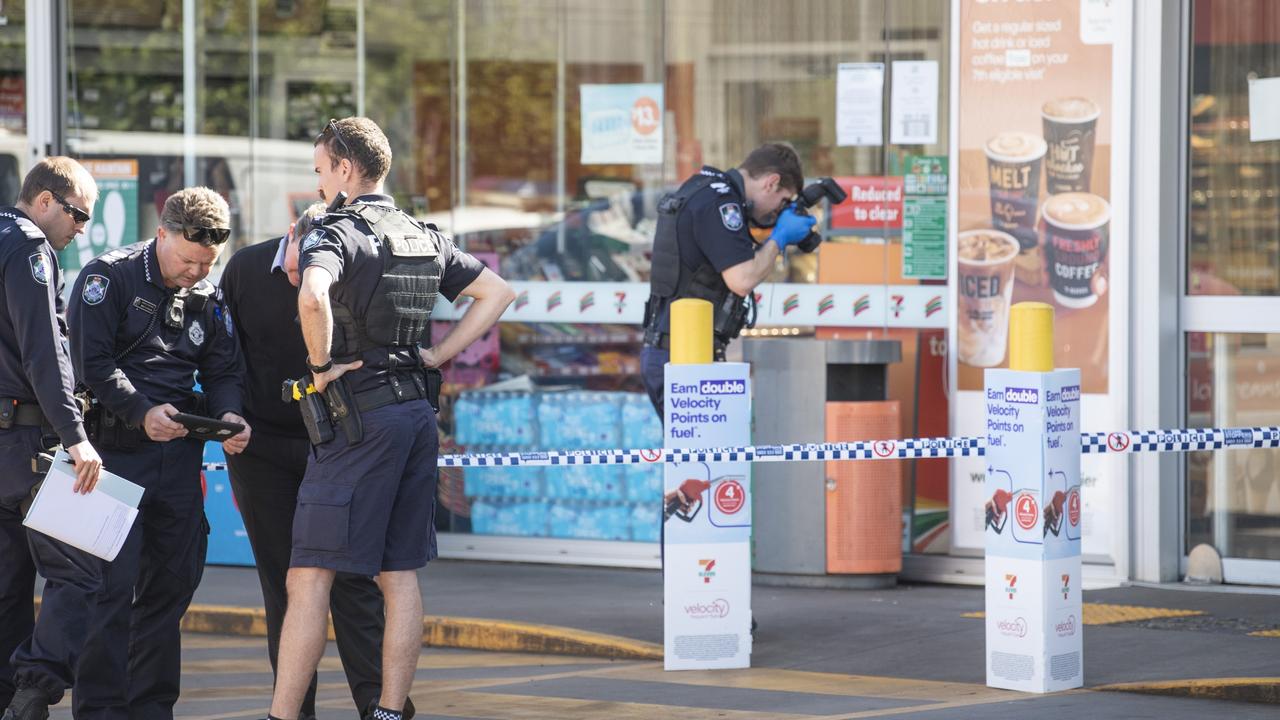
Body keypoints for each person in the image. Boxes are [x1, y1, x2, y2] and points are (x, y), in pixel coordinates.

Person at [266, 117, 513, 720]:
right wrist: (437, 355)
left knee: (309, 579)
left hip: (358, 419)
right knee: (397, 574)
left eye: (322, 170)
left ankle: (280, 717)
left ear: (346, 169)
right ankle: (388, 711)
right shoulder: (421, 233)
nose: (321, 184)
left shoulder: (338, 231)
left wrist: (321, 366)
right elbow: (498, 294)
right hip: (414, 413)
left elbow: (311, 294)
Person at [51, 186, 249, 719]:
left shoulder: (208, 294)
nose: (196, 272)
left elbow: (224, 368)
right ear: (161, 234)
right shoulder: (108, 276)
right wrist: (142, 411)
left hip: (177, 458)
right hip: (111, 456)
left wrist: (229, 415)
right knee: (108, 593)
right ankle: (101, 711)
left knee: (171, 589)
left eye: (207, 263)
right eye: (187, 260)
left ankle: (151, 708)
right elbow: (90, 363)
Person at [221, 202, 414, 720]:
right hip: (261, 445)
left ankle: (377, 703)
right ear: (291, 237)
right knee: (285, 581)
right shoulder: (243, 269)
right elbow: (224, 354)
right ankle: (293, 710)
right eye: (297, 266)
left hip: (336, 440)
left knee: (353, 578)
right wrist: (229, 415)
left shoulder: (347, 271)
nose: (302, 280)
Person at [0, 158, 104, 719]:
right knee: (79, 568)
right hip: (30, 442)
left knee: (7, 582)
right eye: (78, 214)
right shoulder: (28, 246)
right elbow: (44, 349)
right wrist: (75, 435)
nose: (81, 229)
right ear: (44, 200)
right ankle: (33, 691)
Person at [640, 143, 816, 417]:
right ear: (772, 182)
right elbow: (742, 279)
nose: (777, 213)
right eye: (783, 202)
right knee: (703, 456)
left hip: (677, 350)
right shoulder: (722, 203)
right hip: (685, 356)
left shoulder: (703, 189)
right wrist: (779, 238)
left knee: (698, 457)